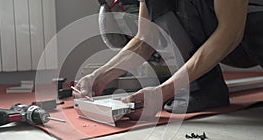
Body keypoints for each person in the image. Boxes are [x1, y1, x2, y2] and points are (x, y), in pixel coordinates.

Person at [74, 0, 263, 120]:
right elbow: (145, 39)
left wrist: (164, 91)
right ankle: (201, 89)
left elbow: (230, 33)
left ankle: (197, 87)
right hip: (235, 41)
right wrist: (100, 76)